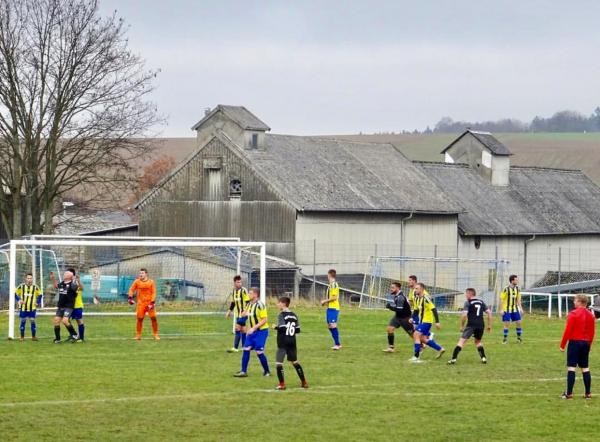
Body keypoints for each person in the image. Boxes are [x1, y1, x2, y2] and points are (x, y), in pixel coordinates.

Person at [559, 294, 595, 399]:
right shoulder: (591, 315)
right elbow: (592, 333)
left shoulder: (573, 314)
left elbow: (568, 331)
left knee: (571, 368)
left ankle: (569, 393)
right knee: (585, 368)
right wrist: (589, 345)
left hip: (575, 343)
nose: (574, 302)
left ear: (580, 301)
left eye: (575, 300)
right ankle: (588, 393)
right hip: (585, 344)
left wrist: (562, 345)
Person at [448, 288, 492, 365]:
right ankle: (484, 358)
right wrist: (489, 325)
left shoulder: (468, 302)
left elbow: (464, 315)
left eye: (466, 294)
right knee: (477, 342)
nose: (465, 295)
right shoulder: (481, 302)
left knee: (461, 341)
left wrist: (462, 326)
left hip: (471, 325)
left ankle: (453, 359)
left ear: (470, 294)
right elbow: (489, 312)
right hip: (481, 325)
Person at [234, 287, 271, 377]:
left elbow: (264, 320)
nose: (248, 295)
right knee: (246, 349)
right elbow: (246, 315)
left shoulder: (260, 305)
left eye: (250, 293)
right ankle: (243, 371)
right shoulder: (249, 304)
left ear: (255, 295)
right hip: (251, 332)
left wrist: (253, 328)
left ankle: (267, 371)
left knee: (259, 351)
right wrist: (240, 322)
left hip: (261, 331)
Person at [273, 296, 308, 390]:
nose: (277, 304)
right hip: (292, 341)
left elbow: (283, 328)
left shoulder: (281, 315)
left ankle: (282, 384)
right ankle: (304, 382)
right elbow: (298, 330)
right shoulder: (294, 315)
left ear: (283, 304)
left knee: (279, 363)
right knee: (295, 362)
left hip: (283, 341)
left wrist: (275, 327)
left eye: (279, 302)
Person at [410, 283, 445, 362]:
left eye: (417, 289)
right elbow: (416, 310)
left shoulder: (426, 298)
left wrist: (437, 322)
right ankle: (440, 349)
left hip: (427, 321)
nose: (415, 290)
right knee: (423, 339)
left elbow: (434, 309)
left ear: (422, 289)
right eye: (415, 288)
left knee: (416, 334)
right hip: (421, 321)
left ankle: (416, 356)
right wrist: (412, 318)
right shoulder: (417, 298)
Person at [128, 268, 159, 341]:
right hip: (141, 304)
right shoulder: (137, 281)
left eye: (142, 273)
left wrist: (152, 302)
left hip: (149, 303)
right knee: (140, 319)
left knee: (154, 318)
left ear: (146, 274)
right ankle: (138, 335)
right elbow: (131, 290)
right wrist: (130, 298)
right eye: (140, 273)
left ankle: (155, 335)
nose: (140, 274)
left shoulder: (151, 282)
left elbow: (154, 292)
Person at [49, 270, 79, 343]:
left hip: (68, 306)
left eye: (65, 274)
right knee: (56, 321)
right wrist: (53, 278)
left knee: (65, 321)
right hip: (61, 306)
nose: (64, 274)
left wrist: (74, 279)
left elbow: (75, 288)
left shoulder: (72, 284)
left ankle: (74, 334)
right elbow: (56, 286)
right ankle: (58, 339)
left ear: (69, 276)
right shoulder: (62, 283)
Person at [383, 282, 414, 353]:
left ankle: (423, 343)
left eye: (393, 288)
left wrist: (390, 307)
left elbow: (399, 310)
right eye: (391, 287)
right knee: (390, 329)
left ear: (398, 288)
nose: (391, 289)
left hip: (405, 318)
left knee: (412, 334)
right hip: (398, 317)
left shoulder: (400, 297)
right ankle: (391, 348)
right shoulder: (397, 295)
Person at [225, 275, 250, 353]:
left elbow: (248, 302)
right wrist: (229, 311)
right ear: (234, 283)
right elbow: (233, 303)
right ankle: (244, 347)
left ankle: (235, 348)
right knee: (243, 330)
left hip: (244, 314)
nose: (239, 283)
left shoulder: (244, 291)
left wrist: (245, 311)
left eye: (240, 282)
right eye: (238, 282)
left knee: (237, 328)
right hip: (238, 314)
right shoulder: (233, 291)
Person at [15, 273, 42, 341]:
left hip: (32, 308)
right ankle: (22, 337)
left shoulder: (35, 287)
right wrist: (19, 300)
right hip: (23, 308)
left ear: (32, 279)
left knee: (32, 321)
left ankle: (33, 337)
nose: (29, 279)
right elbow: (15, 294)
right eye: (28, 278)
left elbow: (40, 295)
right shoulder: (21, 286)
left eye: (31, 278)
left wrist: (37, 302)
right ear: (26, 279)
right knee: (23, 321)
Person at [320, 269, 341, 350]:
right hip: (330, 308)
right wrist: (326, 303)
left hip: (334, 308)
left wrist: (324, 301)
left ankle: (337, 344)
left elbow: (334, 297)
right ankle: (337, 343)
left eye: (327, 275)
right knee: (329, 326)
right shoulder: (331, 285)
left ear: (329, 275)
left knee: (333, 325)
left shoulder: (334, 285)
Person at [500, 274, 524, 343]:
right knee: (507, 323)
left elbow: (518, 300)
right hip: (506, 309)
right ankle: (505, 339)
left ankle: (519, 338)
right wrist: (501, 309)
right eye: (516, 280)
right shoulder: (506, 289)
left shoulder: (517, 289)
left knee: (519, 322)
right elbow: (501, 299)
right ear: (512, 280)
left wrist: (521, 308)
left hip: (515, 309)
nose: (517, 281)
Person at [68, 268, 85, 343]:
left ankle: (81, 337)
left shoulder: (76, 281)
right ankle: (73, 334)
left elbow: (82, 288)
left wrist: (78, 281)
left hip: (77, 305)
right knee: (66, 320)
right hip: (69, 306)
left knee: (79, 321)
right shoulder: (67, 282)